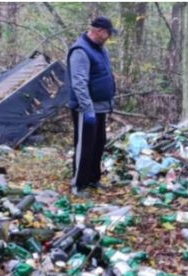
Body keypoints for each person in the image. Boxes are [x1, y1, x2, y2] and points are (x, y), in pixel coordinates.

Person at [67, 16, 117, 197]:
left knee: (98, 144)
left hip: (101, 107)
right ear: (98, 31)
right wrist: (87, 109)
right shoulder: (81, 50)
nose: (109, 37)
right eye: (108, 33)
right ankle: (78, 184)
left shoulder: (100, 50)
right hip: (86, 109)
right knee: (85, 146)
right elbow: (79, 83)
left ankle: (93, 179)